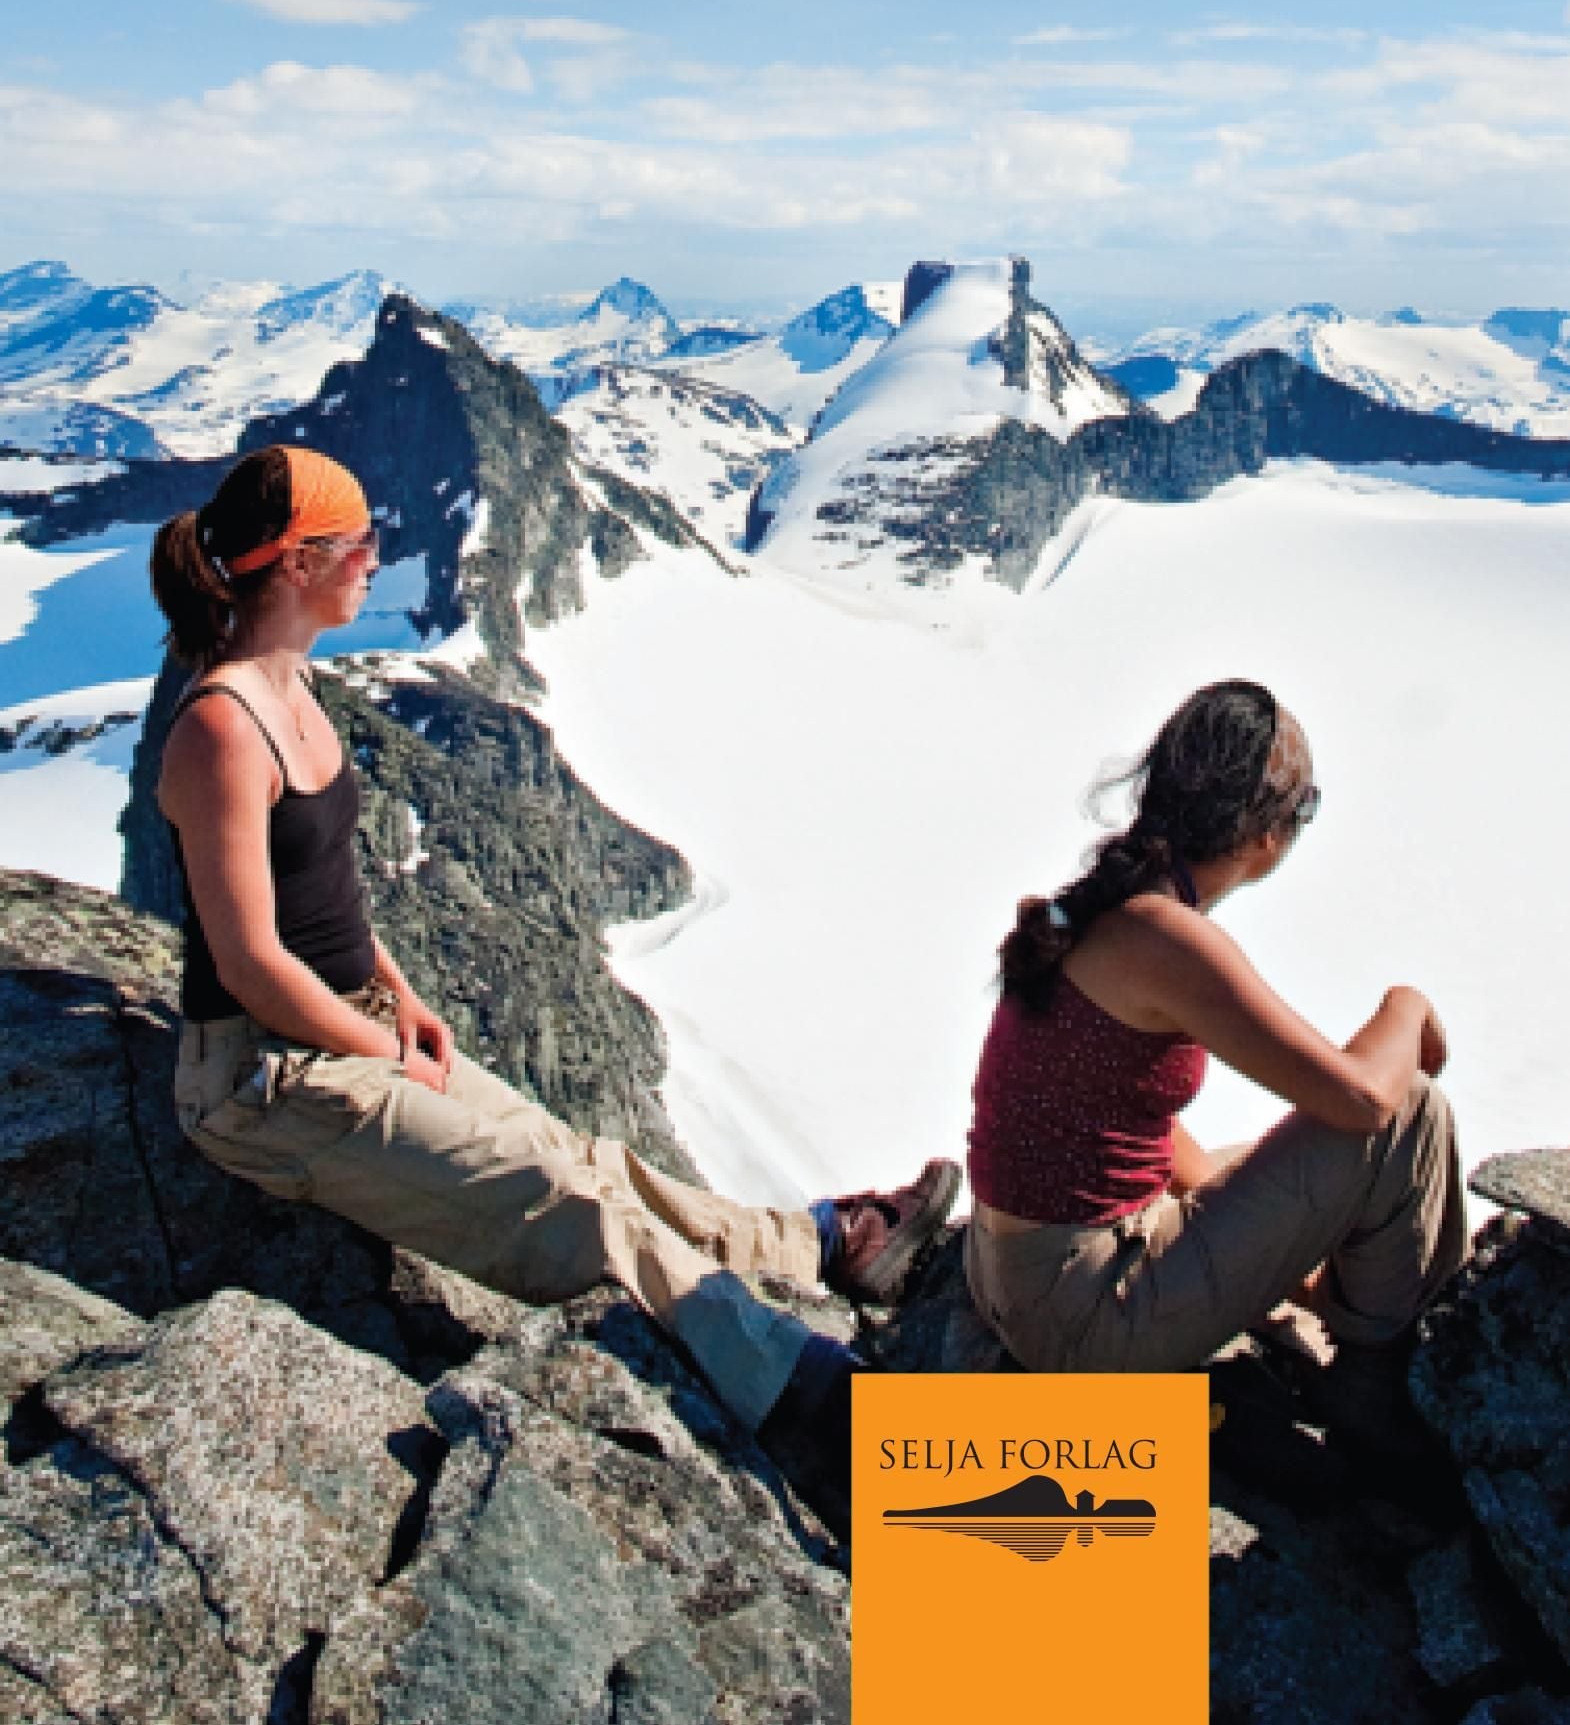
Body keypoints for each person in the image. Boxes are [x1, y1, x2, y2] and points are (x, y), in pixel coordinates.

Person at [151, 443, 958, 1539]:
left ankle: (819, 1244)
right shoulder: (219, 726)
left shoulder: (296, 687)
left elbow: (328, 901)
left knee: (586, 1162)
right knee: (569, 1207)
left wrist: (398, 996)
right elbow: (251, 961)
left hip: (348, 1033)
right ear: (296, 563)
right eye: (360, 544)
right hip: (264, 1081)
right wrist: (379, 1048)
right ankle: (826, 1402)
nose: (378, 560)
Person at [965, 679, 1468, 1454]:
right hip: (1083, 1322)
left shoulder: (1108, 905)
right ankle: (1374, 1381)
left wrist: (1275, 1248)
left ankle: (1338, 1315)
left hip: (1014, 1278)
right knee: (1411, 1113)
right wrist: (1408, 1005)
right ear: (1265, 832)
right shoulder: (1166, 937)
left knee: (1269, 1160)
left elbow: (1126, 1123)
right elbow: (1365, 1099)